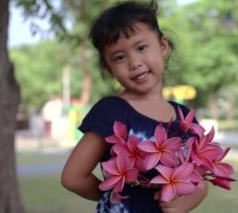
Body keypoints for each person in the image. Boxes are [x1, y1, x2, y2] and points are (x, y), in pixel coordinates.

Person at [61, 1, 208, 212]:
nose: (134, 62)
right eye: (119, 57)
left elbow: (200, 181)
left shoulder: (185, 119)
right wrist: (112, 194)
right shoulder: (111, 112)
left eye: (141, 48)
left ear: (163, 46)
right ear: (108, 68)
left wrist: (183, 203)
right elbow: (73, 177)